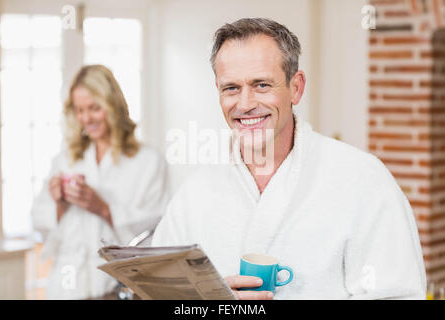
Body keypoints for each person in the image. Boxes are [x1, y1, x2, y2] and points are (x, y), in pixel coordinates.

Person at [152, 18, 427, 299]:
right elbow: (158, 290)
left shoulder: (363, 180)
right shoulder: (194, 194)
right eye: (231, 88)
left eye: (261, 85)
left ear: (295, 88)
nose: (245, 104)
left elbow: (398, 294)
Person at [32, 65, 168, 299]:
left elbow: (156, 234)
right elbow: (38, 221)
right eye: (80, 110)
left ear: (113, 105)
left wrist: (103, 208)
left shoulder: (147, 161)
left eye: (94, 108)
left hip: (117, 288)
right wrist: (59, 207)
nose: (86, 118)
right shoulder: (66, 160)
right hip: (66, 287)